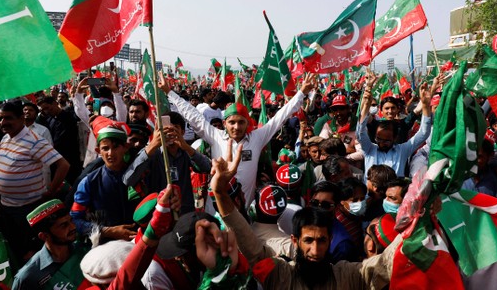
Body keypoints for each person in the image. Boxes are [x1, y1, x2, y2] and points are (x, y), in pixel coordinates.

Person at [211, 144, 400, 289]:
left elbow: (385, 264)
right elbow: (250, 246)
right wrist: (220, 193)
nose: (315, 250)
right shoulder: (281, 275)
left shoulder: (346, 275)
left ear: (330, 240)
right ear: (295, 241)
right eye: (308, 240)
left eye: (321, 240)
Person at [159, 72, 317, 207]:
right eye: (232, 122)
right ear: (224, 123)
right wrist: (170, 93)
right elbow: (193, 116)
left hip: (245, 209)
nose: (236, 127)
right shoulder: (215, 135)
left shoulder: (257, 137)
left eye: (241, 122)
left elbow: (280, 117)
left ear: (247, 123)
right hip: (216, 209)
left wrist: (301, 93)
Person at [0, 102, 70, 262]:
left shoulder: (35, 140)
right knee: (15, 247)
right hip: (7, 206)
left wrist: (50, 191)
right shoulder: (5, 138)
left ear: (21, 118)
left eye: (8, 118)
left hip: (28, 208)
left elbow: (63, 165)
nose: (3, 122)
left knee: (32, 250)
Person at [124, 111, 212, 214]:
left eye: (175, 128)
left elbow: (207, 168)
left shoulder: (186, 152)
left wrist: (187, 147)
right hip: (158, 213)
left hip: (185, 212)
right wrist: (152, 146)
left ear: (182, 132)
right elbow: (128, 180)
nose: (170, 132)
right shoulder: (151, 153)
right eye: (166, 129)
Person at [71, 116, 139, 242]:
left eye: (116, 147)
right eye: (105, 148)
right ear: (98, 151)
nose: (110, 153)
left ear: (125, 147)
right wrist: (107, 231)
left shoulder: (141, 174)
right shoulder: (89, 182)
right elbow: (75, 220)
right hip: (107, 248)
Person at [357, 69, 433, 179]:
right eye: (379, 139)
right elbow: (360, 133)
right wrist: (366, 102)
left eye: (387, 140)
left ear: (395, 138)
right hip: (371, 196)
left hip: (395, 194)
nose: (382, 143)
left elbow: (424, 133)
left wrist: (425, 105)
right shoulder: (370, 149)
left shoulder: (402, 150)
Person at [12, 199, 91, 289]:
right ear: (44, 236)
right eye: (64, 225)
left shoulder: (85, 249)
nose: (73, 227)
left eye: (71, 221)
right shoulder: (27, 276)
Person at [37, 96, 82, 182]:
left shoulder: (69, 117)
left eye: (47, 108)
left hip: (70, 161)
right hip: (57, 162)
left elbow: (60, 141)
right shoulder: (50, 119)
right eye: (43, 110)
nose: (46, 111)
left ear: (54, 103)